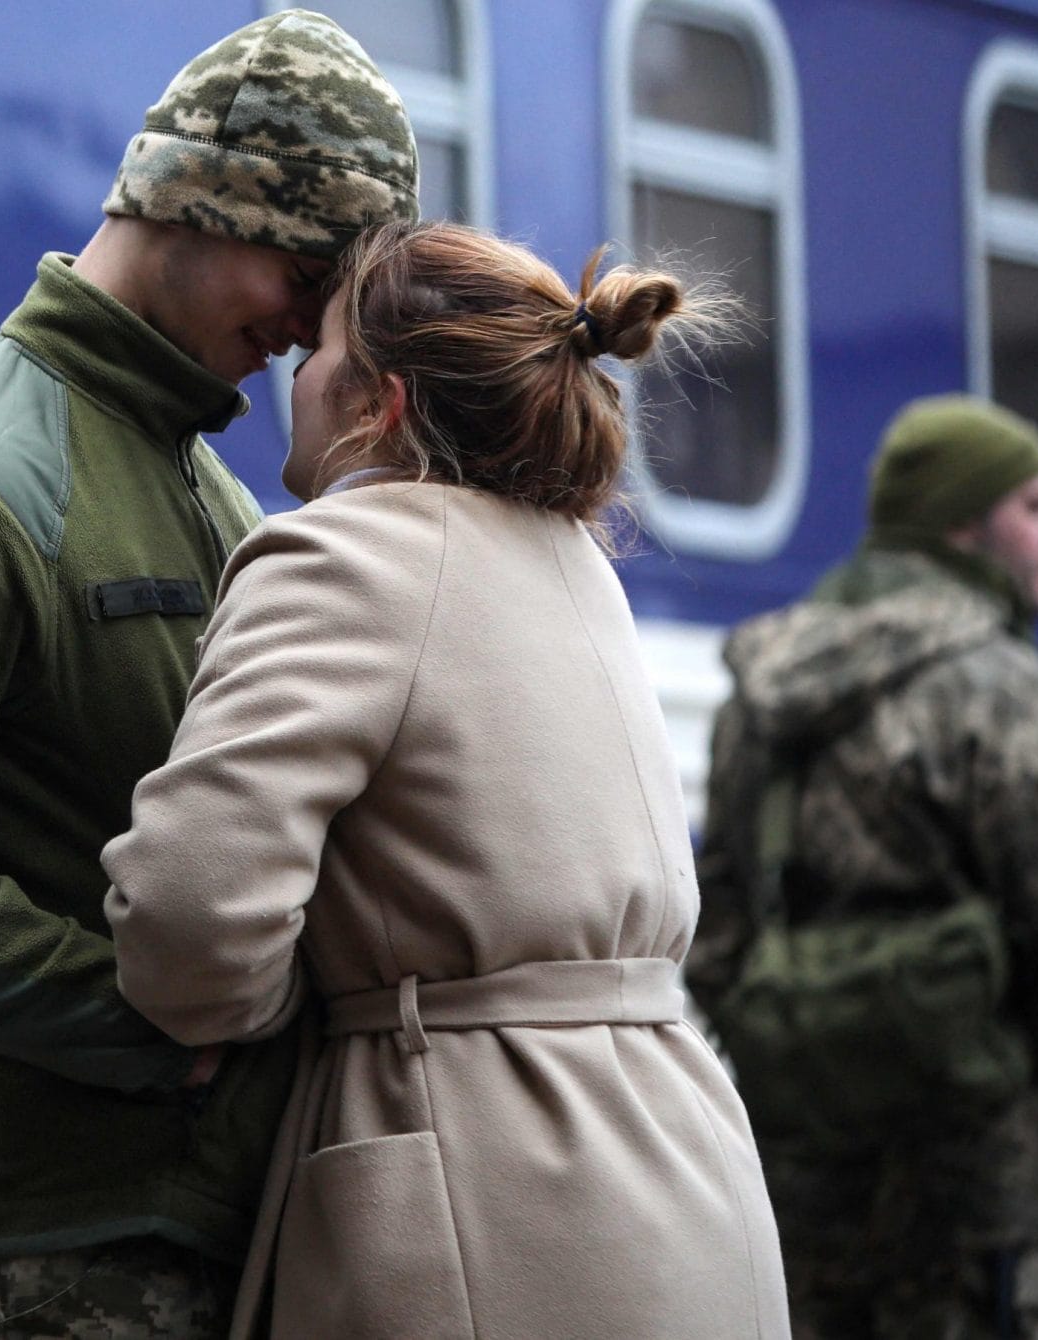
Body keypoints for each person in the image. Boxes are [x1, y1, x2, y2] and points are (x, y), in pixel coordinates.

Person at [0, 10, 419, 1335]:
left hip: (219, 1222)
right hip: (63, 1256)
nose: (306, 330)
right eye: (302, 270)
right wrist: (152, 1036)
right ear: (197, 205)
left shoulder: (204, 484)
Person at [100, 219, 792, 1339]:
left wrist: (275, 998)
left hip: (479, 1177)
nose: (295, 368)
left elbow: (188, 926)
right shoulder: (576, 561)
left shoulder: (343, 553)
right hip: (683, 1161)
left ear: (380, 405)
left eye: (320, 347)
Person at [686, 395, 1038, 1339]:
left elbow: (713, 945)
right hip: (979, 1203)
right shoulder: (1008, 692)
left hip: (803, 1199)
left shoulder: (760, 696)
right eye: (1036, 507)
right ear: (963, 522)